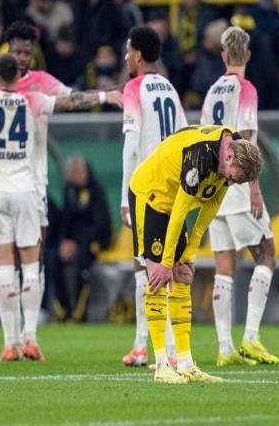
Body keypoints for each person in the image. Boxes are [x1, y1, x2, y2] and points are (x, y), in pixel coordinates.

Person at [0, 50, 118, 361]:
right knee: (30, 269)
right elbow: (72, 101)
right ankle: (30, 339)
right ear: (18, 75)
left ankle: (9, 344)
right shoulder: (33, 99)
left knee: (4, 271)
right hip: (26, 192)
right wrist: (107, 95)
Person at [128, 124, 262, 383]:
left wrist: (190, 250)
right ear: (229, 157)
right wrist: (166, 262)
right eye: (235, 177)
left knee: (183, 277)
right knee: (158, 277)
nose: (232, 182)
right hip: (150, 195)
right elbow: (180, 210)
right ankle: (161, 365)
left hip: (172, 203)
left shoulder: (234, 149)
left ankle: (186, 363)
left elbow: (212, 204)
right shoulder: (200, 156)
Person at [200, 26, 279, 367]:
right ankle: (250, 338)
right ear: (247, 55)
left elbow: (205, 137)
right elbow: (246, 136)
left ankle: (224, 347)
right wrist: (254, 187)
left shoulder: (211, 92)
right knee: (267, 256)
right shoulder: (246, 89)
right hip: (238, 187)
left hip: (215, 189)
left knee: (224, 267)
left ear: (223, 56)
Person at [120, 25, 187, 368]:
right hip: (173, 184)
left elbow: (131, 147)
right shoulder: (170, 88)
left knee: (150, 266)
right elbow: (184, 135)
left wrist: (124, 196)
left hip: (146, 187)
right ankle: (143, 344)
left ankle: (166, 350)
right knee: (158, 263)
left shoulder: (134, 88)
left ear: (138, 55)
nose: (125, 57)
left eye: (128, 51)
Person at [53, 155, 112, 322]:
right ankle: (63, 310)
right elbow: (65, 220)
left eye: (79, 170)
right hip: (74, 242)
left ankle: (79, 312)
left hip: (95, 241)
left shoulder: (96, 190)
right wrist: (65, 242)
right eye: (73, 172)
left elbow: (101, 223)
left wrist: (78, 243)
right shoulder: (69, 191)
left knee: (82, 262)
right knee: (54, 260)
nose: (76, 174)